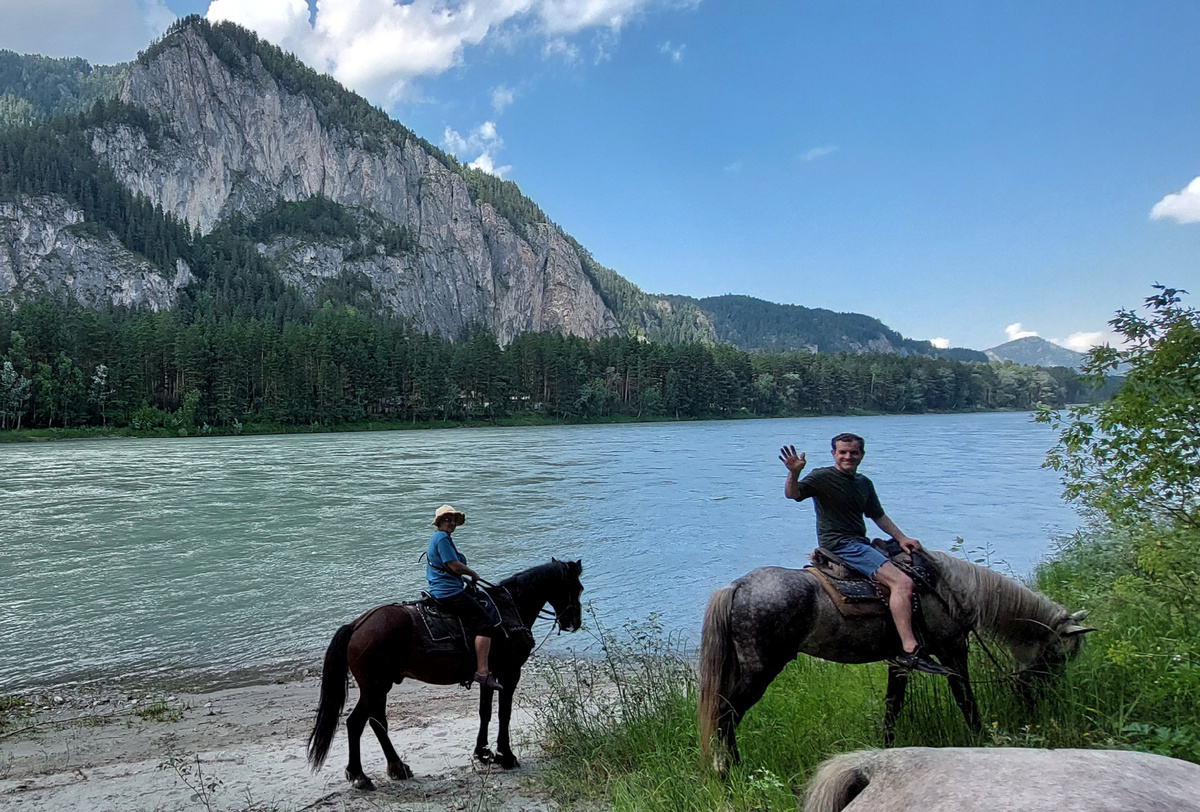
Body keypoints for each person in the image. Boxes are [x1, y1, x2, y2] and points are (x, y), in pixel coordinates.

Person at [779, 433, 950, 674]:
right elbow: (792, 494)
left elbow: (877, 515)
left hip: (862, 542)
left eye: (854, 452)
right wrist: (794, 472)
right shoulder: (822, 477)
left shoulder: (863, 483)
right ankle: (910, 649)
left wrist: (902, 538)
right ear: (834, 454)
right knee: (902, 583)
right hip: (841, 544)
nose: (848, 456)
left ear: (861, 455)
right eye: (843, 452)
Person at [425, 504, 504, 690]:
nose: (451, 523)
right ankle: (483, 672)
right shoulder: (442, 538)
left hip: (444, 588)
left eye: (453, 519)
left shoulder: (439, 538)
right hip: (448, 592)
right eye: (447, 519)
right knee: (485, 624)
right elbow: (454, 565)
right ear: (440, 522)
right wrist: (472, 574)